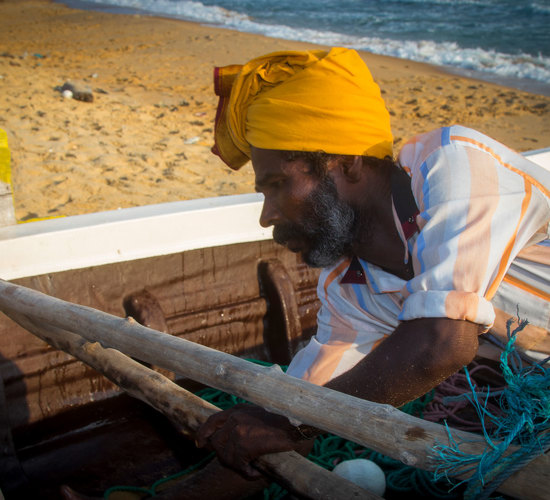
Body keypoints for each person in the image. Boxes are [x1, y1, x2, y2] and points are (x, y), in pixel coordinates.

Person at [195, 47, 550, 483]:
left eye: (277, 184)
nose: (266, 215)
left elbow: (443, 344)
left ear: (344, 163)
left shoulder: (455, 166)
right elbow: (299, 405)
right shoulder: (350, 285)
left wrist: (293, 422)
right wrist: (272, 421)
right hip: (526, 371)